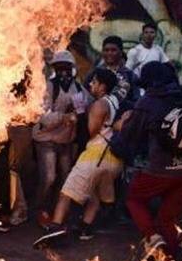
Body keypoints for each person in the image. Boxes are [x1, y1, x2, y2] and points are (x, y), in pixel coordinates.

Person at [34, 68, 120, 247]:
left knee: (66, 192)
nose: (91, 85)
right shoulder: (115, 102)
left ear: (103, 86)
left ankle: (56, 227)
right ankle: (85, 227)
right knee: (94, 193)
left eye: (94, 82)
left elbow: (90, 132)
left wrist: (80, 115)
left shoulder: (100, 104)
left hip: (95, 156)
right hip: (112, 158)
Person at [114, 62, 182, 261]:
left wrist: (119, 132)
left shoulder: (148, 101)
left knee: (134, 199)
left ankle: (153, 238)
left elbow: (128, 138)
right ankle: (176, 256)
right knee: (166, 218)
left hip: (158, 170)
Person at [32, 50, 88, 228]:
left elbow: (82, 111)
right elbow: (42, 117)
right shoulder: (48, 87)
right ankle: (41, 210)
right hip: (46, 140)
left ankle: (58, 212)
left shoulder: (78, 88)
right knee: (49, 177)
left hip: (66, 141)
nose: (64, 73)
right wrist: (63, 117)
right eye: (60, 68)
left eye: (67, 68)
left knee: (65, 177)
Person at [85, 35, 138, 110]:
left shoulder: (130, 75)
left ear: (121, 52)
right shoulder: (94, 73)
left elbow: (136, 100)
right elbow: (85, 96)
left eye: (113, 50)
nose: (109, 53)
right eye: (106, 50)